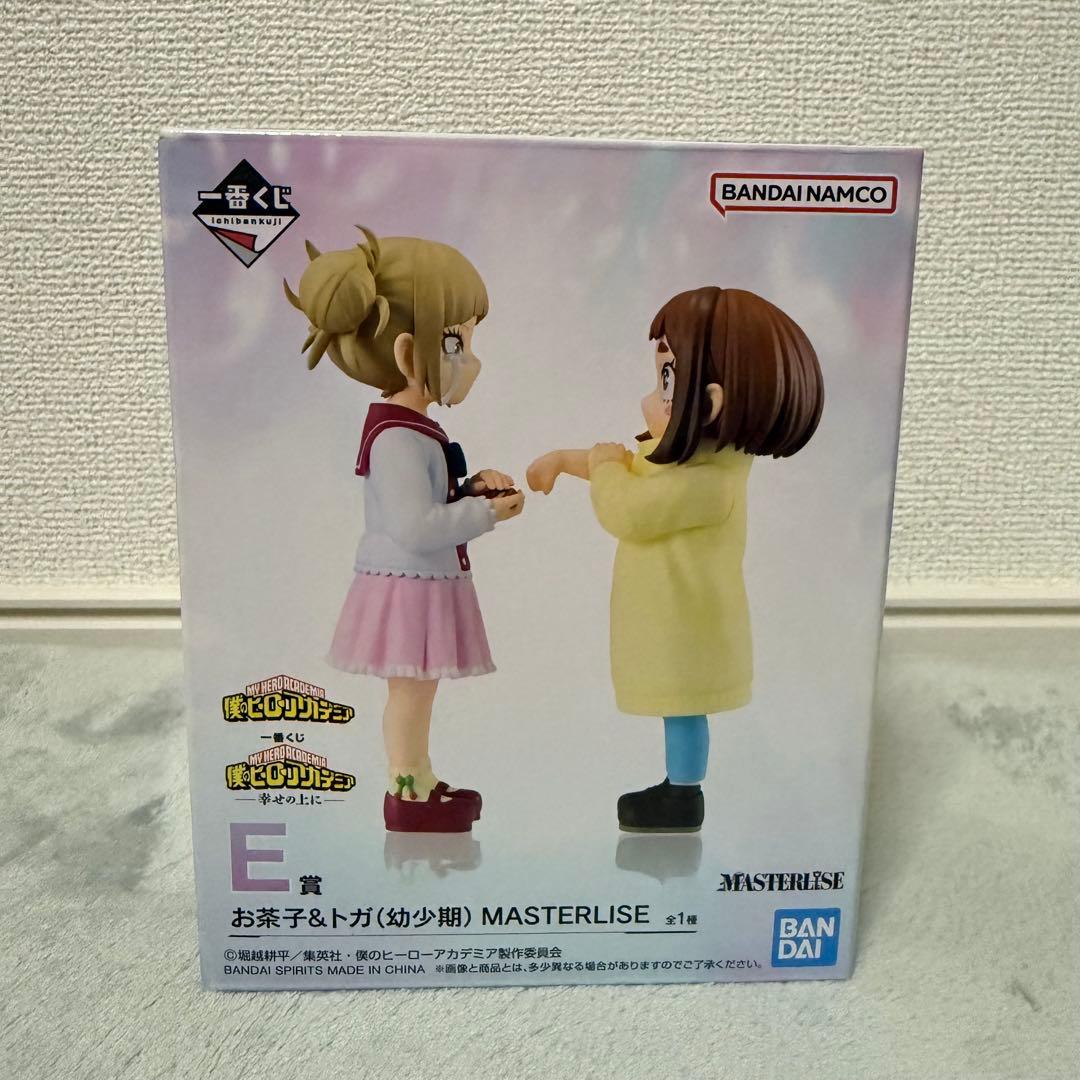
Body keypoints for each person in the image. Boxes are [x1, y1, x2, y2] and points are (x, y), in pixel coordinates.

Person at [527, 287, 823, 832]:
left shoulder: (711, 484)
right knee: (679, 706)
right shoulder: (687, 465)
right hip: (671, 621)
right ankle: (678, 787)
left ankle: (684, 794)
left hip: (687, 627)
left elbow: (629, 508)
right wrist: (568, 461)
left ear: (709, 403)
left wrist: (603, 467)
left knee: (684, 706)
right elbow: (632, 468)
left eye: (668, 378)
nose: (651, 395)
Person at [286, 228, 524, 832]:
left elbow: (427, 506)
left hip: (419, 582)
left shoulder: (411, 431)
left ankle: (418, 777)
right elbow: (416, 526)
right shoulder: (396, 437)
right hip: (408, 585)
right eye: (456, 341)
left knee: (418, 692)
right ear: (406, 352)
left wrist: (471, 491)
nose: (468, 358)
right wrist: (487, 514)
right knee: (411, 693)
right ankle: (407, 794)